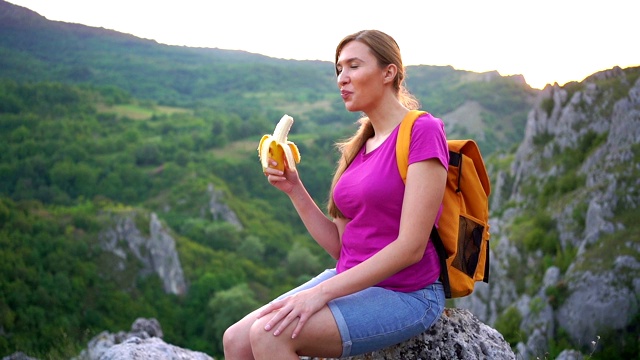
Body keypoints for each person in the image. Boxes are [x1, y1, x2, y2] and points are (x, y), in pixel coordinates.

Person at [223, 29, 449, 359]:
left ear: (389, 72)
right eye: (338, 69)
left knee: (270, 335)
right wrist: (293, 188)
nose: (342, 78)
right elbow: (342, 247)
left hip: (408, 291)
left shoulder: (423, 131)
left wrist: (319, 294)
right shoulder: (357, 149)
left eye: (353, 66)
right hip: (352, 279)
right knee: (236, 339)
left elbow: (411, 247)